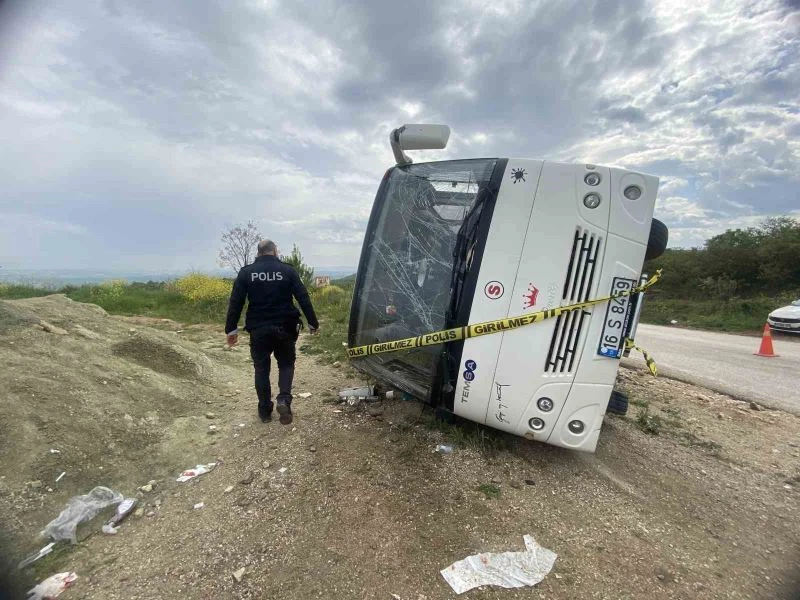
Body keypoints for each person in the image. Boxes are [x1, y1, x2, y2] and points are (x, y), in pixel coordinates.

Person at [224, 240, 319, 425]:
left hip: (258, 329)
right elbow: (303, 297)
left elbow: (236, 302)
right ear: (275, 251)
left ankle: (265, 411)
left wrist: (231, 329)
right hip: (285, 327)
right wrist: (313, 323)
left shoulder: (246, 273)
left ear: (259, 253)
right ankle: (283, 400)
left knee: (261, 369)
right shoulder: (287, 270)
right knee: (286, 364)